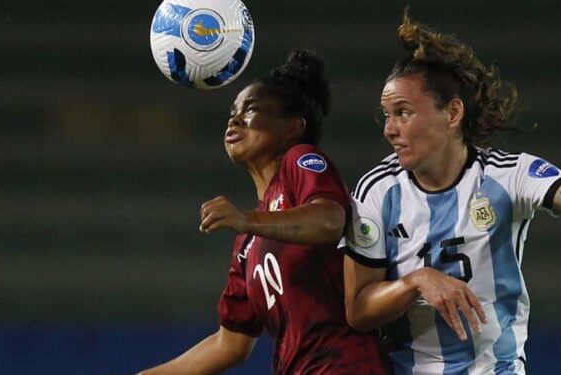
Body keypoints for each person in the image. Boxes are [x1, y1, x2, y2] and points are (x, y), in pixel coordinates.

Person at [340, 11, 561, 375]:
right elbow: (359, 311)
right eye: (386, 115)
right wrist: (416, 281)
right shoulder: (376, 191)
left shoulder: (507, 176)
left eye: (403, 113)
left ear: (452, 112)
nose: (390, 130)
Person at [138, 50, 388, 374]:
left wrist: (247, 220)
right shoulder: (248, 242)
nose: (235, 119)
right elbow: (230, 344)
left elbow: (329, 220)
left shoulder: (301, 161)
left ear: (293, 127)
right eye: (233, 112)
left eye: (251, 109)